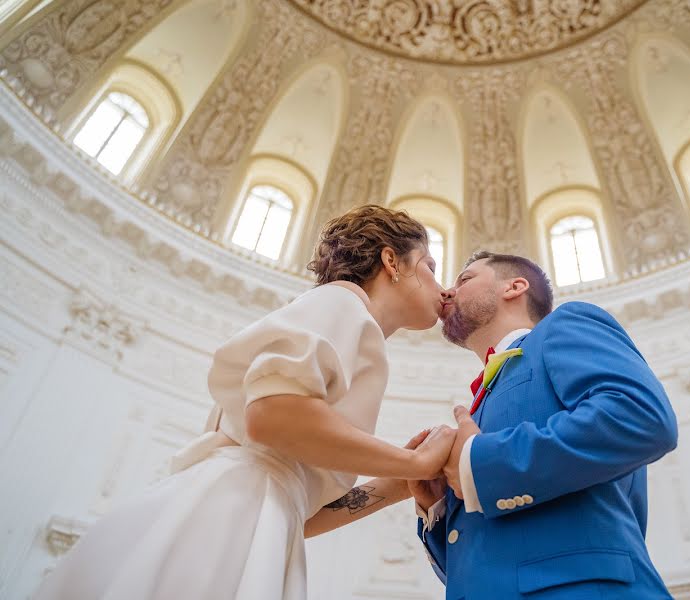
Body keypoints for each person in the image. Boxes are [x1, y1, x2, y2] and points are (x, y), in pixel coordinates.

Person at [35, 205, 456, 600]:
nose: (443, 287)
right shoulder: (343, 301)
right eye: (431, 268)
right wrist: (413, 464)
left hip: (262, 516)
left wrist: (399, 484)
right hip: (227, 512)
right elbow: (272, 416)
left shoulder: (348, 323)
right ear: (391, 262)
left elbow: (302, 512)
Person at [410, 251, 679, 599]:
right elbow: (487, 564)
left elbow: (640, 416)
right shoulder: (483, 400)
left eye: (464, 280)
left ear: (515, 287)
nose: (446, 292)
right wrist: (440, 507)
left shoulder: (564, 326)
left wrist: (479, 465)